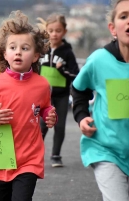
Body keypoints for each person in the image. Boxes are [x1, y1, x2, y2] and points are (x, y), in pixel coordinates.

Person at [72, 0, 129, 200]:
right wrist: (82, 116)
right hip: (105, 148)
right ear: (113, 28)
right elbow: (78, 90)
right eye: (124, 16)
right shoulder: (99, 60)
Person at [0, 10, 58, 201]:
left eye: (25, 48)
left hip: (29, 158)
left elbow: (44, 107)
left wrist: (49, 114)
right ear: (4, 53)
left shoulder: (42, 84)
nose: (18, 51)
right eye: (13, 47)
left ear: (36, 56)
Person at [37, 13, 79, 167]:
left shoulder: (67, 53)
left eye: (58, 30)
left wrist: (63, 71)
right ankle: (35, 155)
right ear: (46, 31)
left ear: (64, 32)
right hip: (43, 97)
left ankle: (56, 155)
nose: (54, 34)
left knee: (59, 126)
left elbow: (76, 74)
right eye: (51, 30)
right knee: (41, 126)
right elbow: (34, 70)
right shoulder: (41, 50)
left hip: (61, 96)